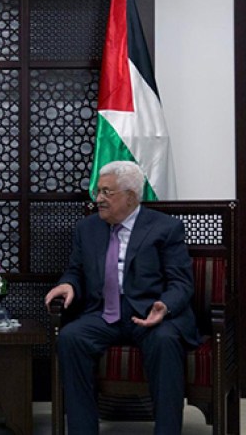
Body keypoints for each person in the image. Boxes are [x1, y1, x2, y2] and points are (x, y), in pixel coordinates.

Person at [44, 160, 198, 435]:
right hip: (104, 313)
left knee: (165, 341)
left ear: (131, 196)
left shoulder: (165, 228)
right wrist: (68, 284)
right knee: (70, 337)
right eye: (98, 191)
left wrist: (165, 306)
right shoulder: (87, 228)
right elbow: (75, 270)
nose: (98, 199)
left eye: (107, 192)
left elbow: (181, 282)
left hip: (150, 314)